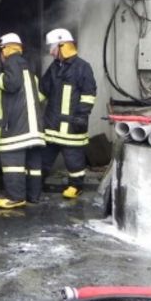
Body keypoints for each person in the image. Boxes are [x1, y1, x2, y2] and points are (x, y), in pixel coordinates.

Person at [39, 28, 97, 199]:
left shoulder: (83, 68)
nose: (50, 52)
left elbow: (88, 95)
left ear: (63, 46)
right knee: (43, 158)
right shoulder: (54, 67)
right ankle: (36, 183)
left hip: (72, 125)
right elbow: (44, 90)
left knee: (74, 160)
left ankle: (76, 186)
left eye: (53, 47)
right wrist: (30, 104)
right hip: (52, 124)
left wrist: (81, 116)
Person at [0, 32, 45, 209]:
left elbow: (11, 84)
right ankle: (33, 196)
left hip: (18, 128)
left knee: (11, 158)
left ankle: (15, 197)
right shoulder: (27, 66)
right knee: (33, 165)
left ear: (5, 49)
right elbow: (39, 94)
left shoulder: (12, 61)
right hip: (34, 128)